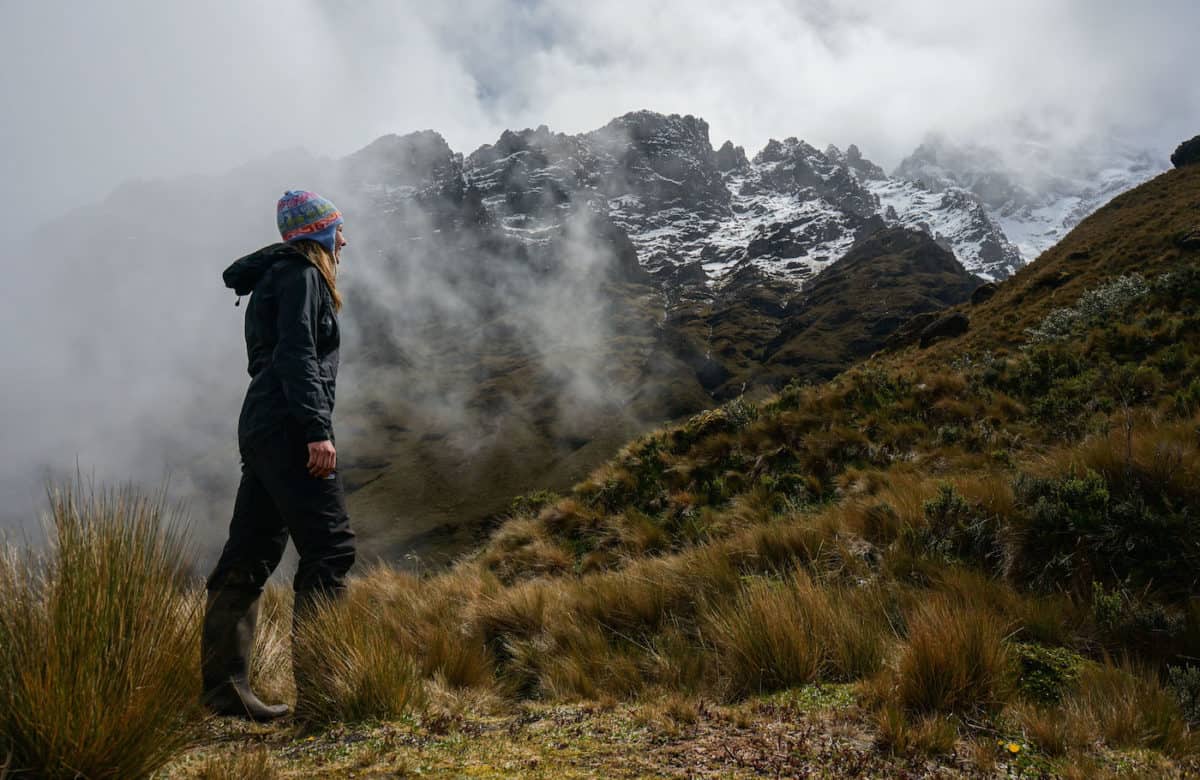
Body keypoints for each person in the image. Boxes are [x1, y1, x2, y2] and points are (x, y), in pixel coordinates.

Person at [201, 190, 356, 721]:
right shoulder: (305, 276)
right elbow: (297, 355)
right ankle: (325, 693)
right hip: (290, 428)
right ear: (317, 235)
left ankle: (225, 694)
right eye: (338, 230)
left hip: (263, 425)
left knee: (248, 557)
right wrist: (316, 429)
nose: (345, 240)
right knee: (331, 550)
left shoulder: (275, 278)